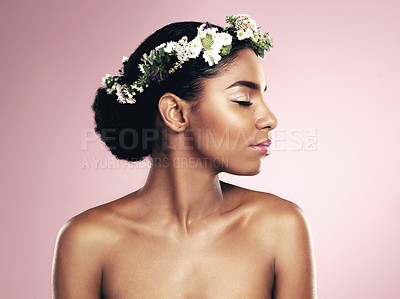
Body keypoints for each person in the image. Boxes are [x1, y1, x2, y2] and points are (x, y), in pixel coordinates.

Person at [52, 14, 317, 299]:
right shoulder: (87, 241)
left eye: (263, 98)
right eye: (243, 100)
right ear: (176, 113)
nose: (270, 119)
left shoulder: (281, 227)